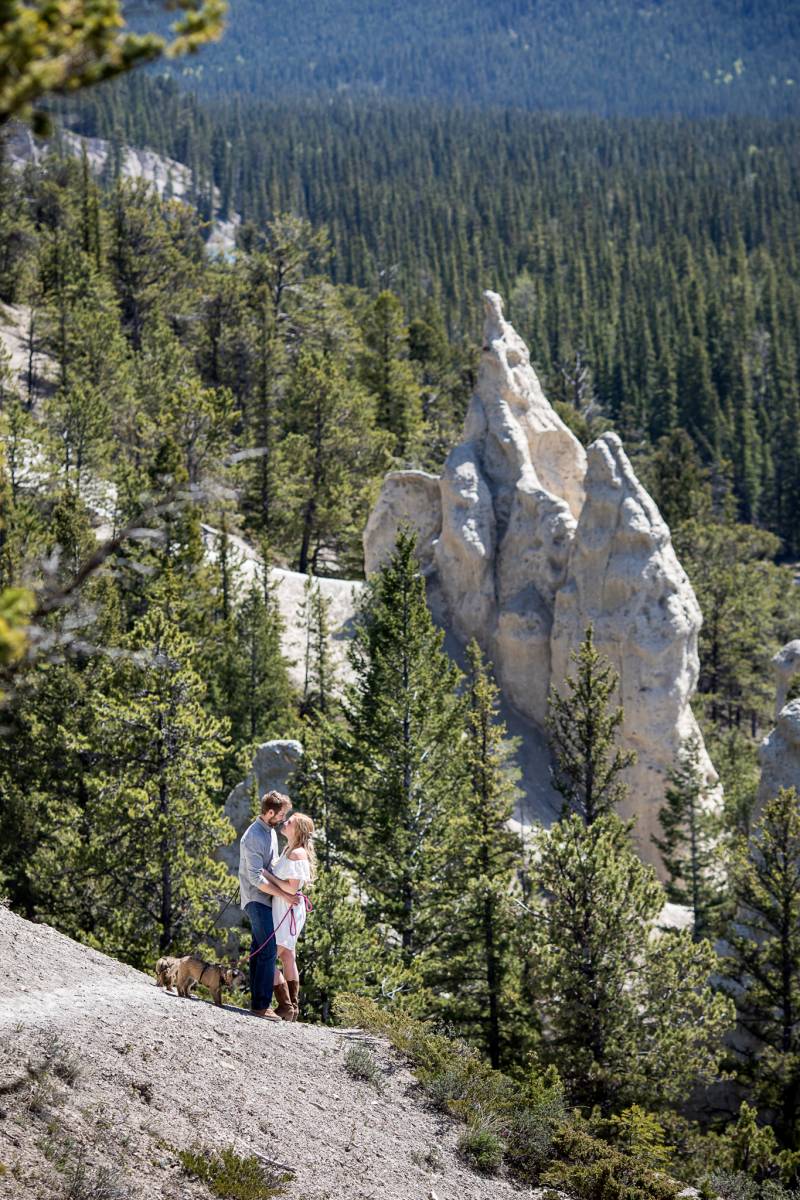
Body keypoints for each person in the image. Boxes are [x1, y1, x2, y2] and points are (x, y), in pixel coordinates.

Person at [238, 789, 300, 1021]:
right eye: (282, 814)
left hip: (267, 899)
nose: (283, 819)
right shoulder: (253, 836)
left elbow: (270, 867)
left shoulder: (270, 832)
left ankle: (258, 1003)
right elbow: (255, 877)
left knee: (258, 950)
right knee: (268, 950)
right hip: (256, 898)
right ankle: (262, 1006)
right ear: (270, 812)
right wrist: (283, 895)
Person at [259, 813, 315, 1021]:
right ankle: (293, 1007)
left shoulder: (298, 854)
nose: (285, 822)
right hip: (287, 907)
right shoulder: (289, 850)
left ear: (298, 829)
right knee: (287, 955)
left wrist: (267, 875)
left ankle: (286, 1005)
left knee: (268, 957)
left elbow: (291, 888)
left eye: (290, 821)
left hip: (286, 908)